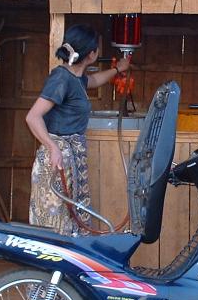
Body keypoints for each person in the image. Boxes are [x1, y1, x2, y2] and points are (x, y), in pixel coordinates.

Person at [25, 24, 130, 235]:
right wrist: (52, 147)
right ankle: (50, 267)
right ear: (91, 54)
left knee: (71, 214)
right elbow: (33, 117)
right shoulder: (61, 78)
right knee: (55, 217)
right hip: (57, 156)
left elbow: (93, 80)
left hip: (70, 155)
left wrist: (118, 68)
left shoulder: (76, 77)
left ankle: (67, 266)